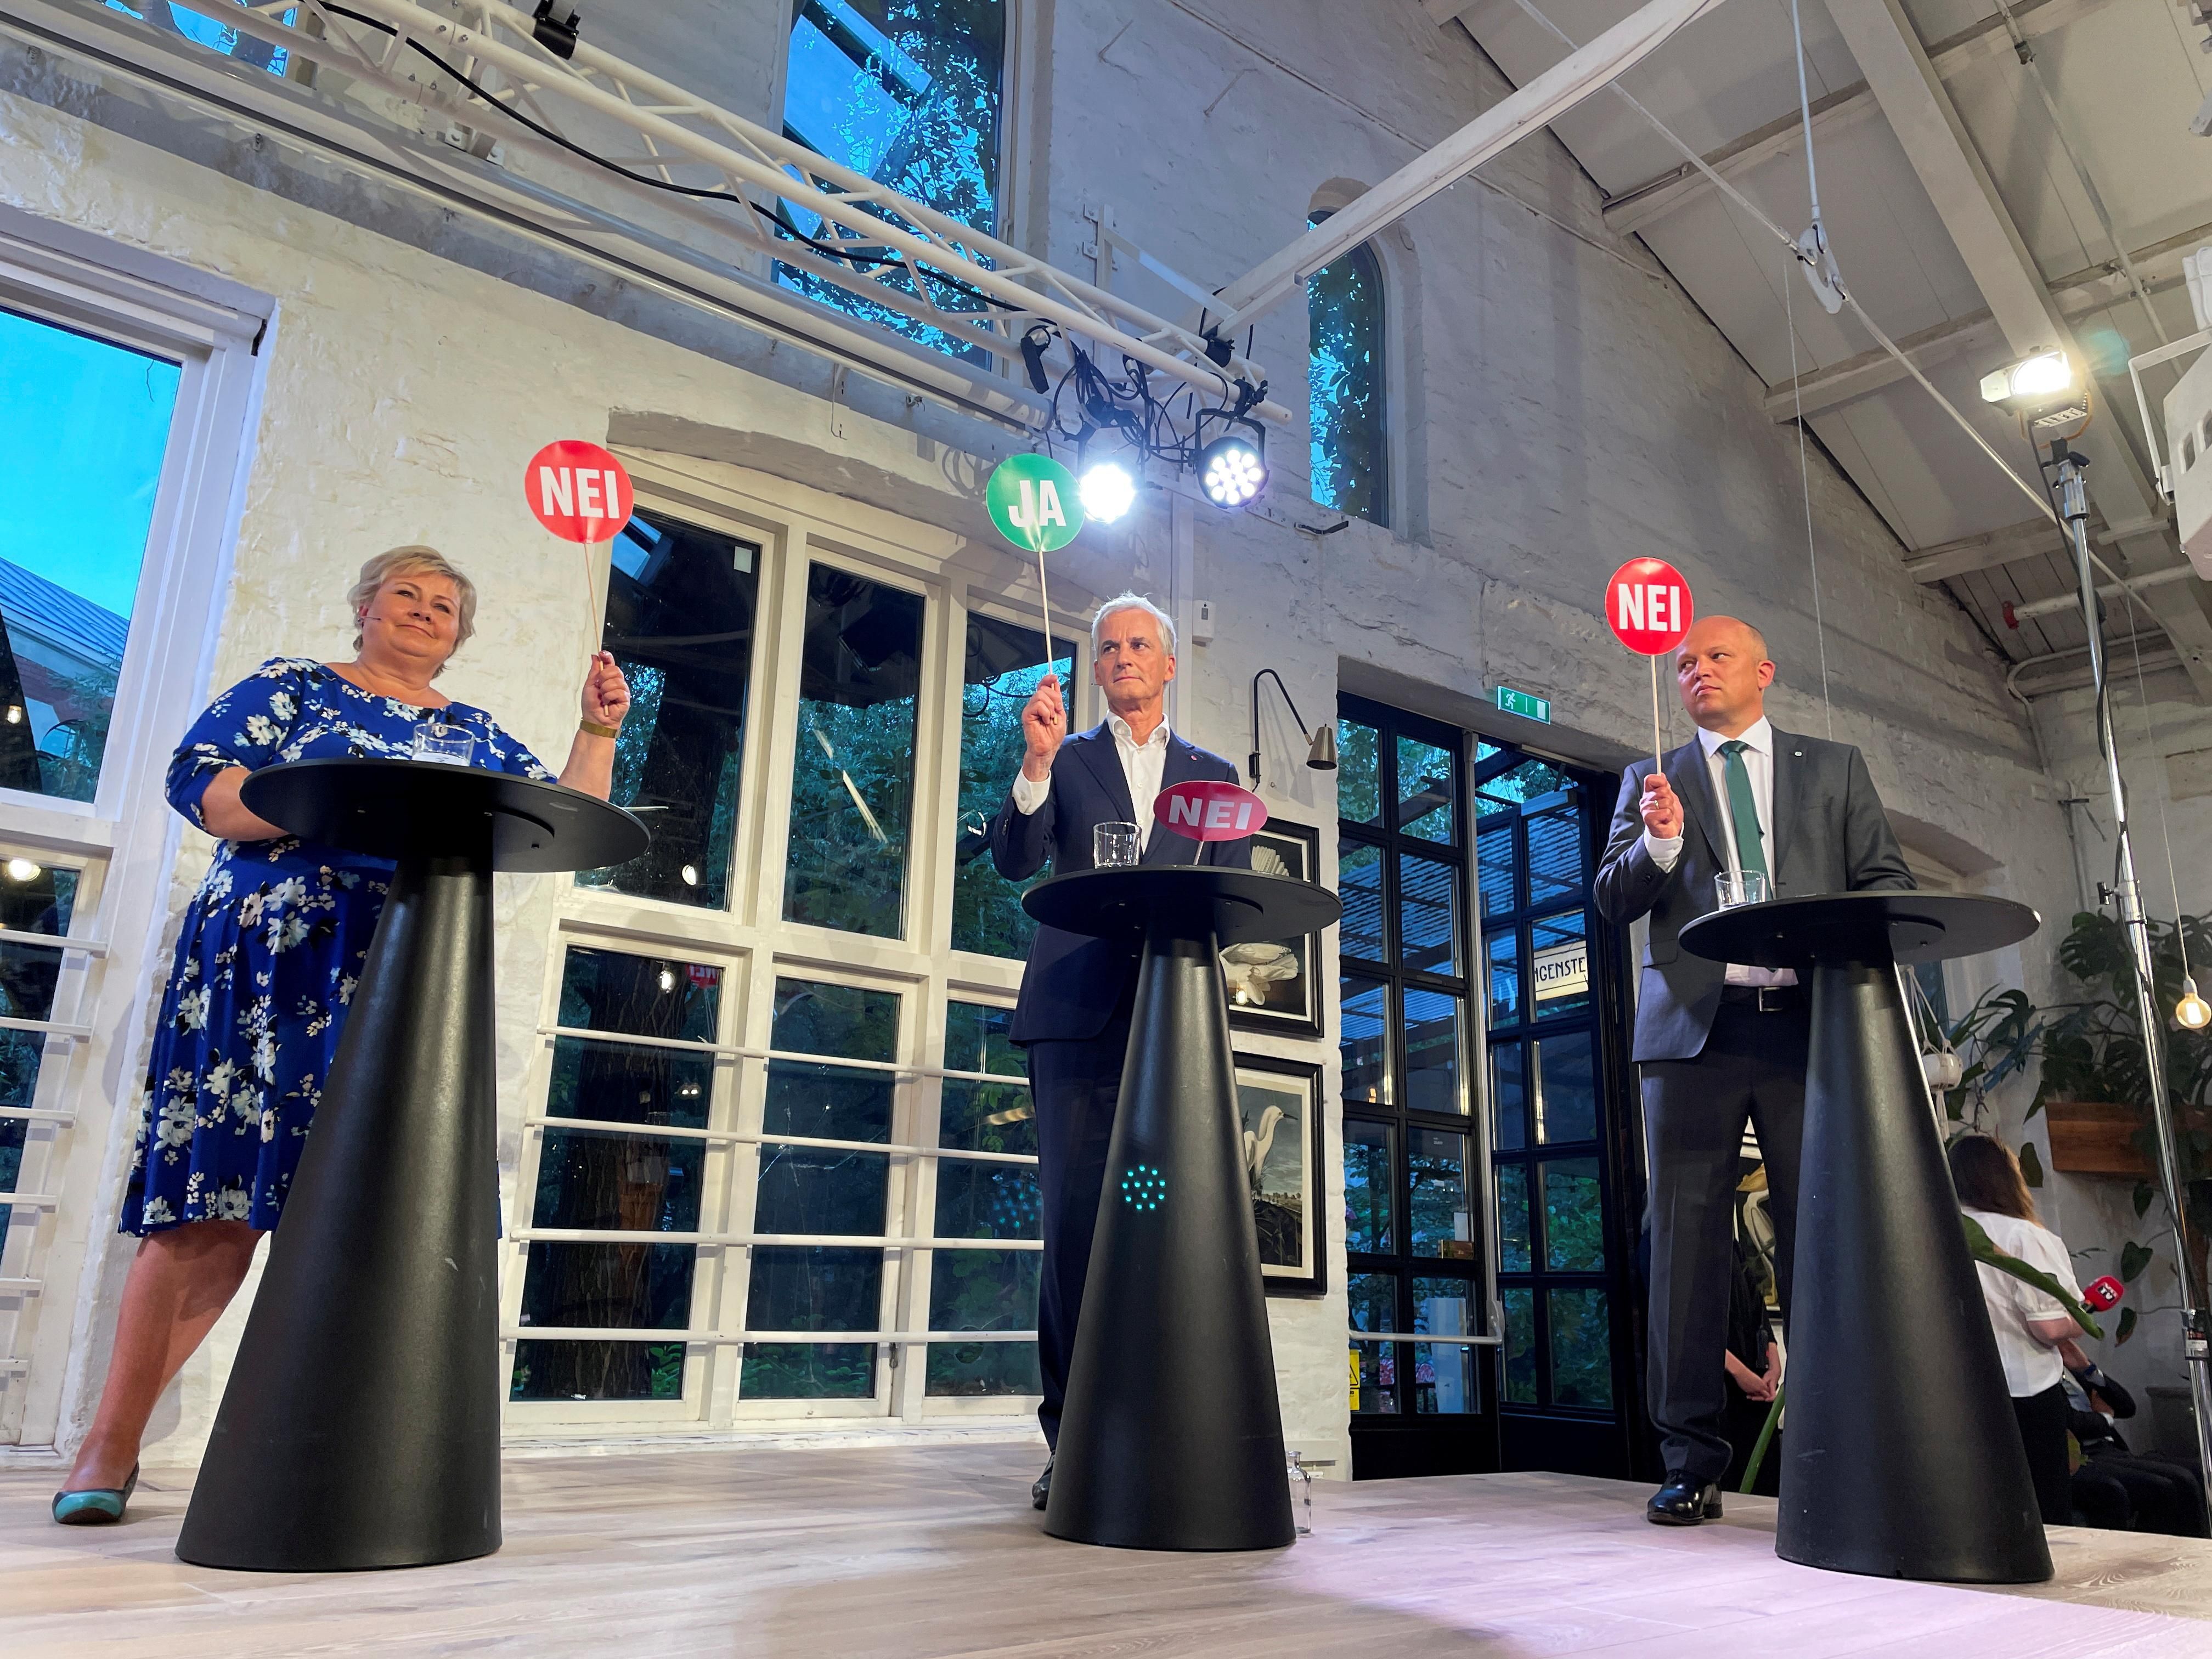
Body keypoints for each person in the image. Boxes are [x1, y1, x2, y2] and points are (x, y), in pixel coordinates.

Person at [52, 547, 630, 1525]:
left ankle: (347, 1452)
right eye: (404, 592)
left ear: (461, 634)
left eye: (445, 602)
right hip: (270, 965)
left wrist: (595, 725)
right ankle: (110, 1441)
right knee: (214, 1207)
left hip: (409, 974)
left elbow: (556, 821)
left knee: (384, 1215)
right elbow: (202, 783)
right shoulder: (292, 686)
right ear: (363, 607)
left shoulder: (475, 732)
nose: (423, 609)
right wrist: (311, 808)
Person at [1594, 614, 1913, 1525]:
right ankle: (1691, 1459)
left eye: (1714, 656)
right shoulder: (1650, 777)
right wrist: (1657, 844)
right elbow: (1611, 896)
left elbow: (1882, 878)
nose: (1695, 670)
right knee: (1685, 1247)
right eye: (1683, 662)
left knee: (1824, 1232)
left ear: (1762, 670)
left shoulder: (1834, 766)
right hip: (1694, 1030)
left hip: (1805, 1027)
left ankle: (1836, 1442)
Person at [988, 594, 1250, 1512]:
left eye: (1140, 645)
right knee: (1073, 1231)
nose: (1125, 657)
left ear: (1169, 664)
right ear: (1093, 669)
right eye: (1109, 648)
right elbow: (1014, 858)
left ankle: (1160, 1428)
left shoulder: (1215, 775)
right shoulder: (1068, 758)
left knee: (1165, 1225)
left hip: (1172, 1026)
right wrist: (1034, 761)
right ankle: (1073, 1440)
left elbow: (1233, 892)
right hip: (1073, 1022)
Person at [1948, 1132, 2092, 1527]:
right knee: (2042, 1510)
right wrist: (2078, 1319)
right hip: (2024, 1388)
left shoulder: (1940, 1231)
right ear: (2005, 1178)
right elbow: (2047, 1327)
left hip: (1958, 1391)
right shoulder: (2023, 1235)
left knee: (1983, 1509)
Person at [1720, 1232, 1782, 1497]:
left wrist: (1773, 1359)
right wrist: (1738, 1372)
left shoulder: (1729, 1243)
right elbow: (1684, 1328)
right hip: (1722, 1389)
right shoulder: (1663, 1245)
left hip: (1754, 1380)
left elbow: (1755, 1298)